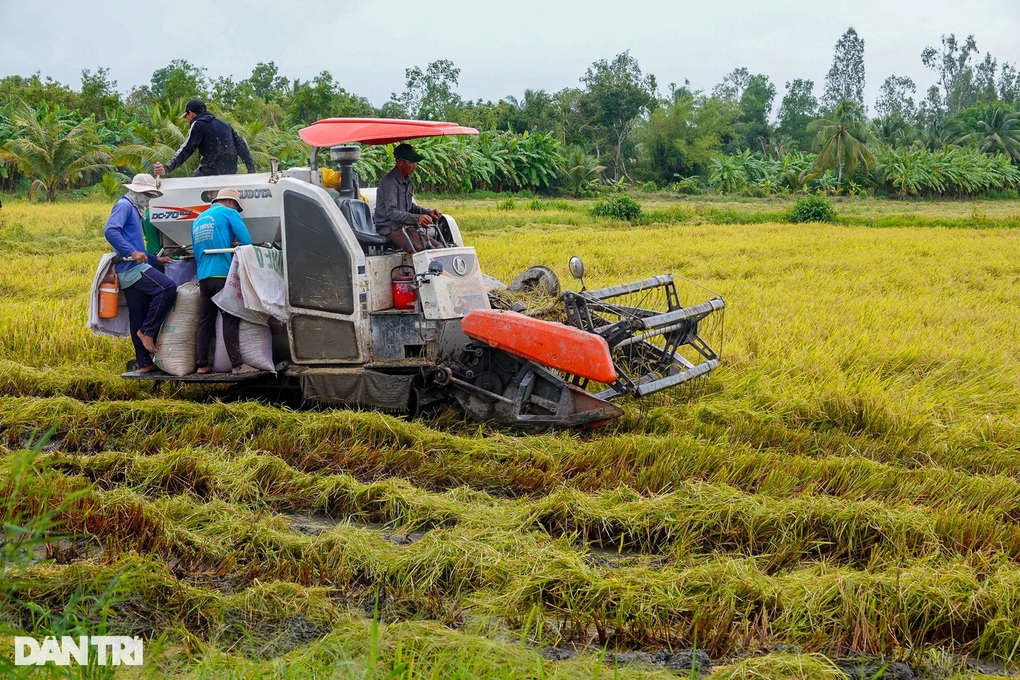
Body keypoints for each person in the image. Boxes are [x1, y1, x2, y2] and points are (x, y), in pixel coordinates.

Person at [103, 174, 177, 373]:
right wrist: (131, 252)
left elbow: (138, 247)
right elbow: (110, 231)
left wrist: (155, 259)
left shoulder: (135, 210)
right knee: (167, 288)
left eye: (150, 194)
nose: (148, 198)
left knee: (138, 313)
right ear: (135, 191)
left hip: (131, 268)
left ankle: (144, 363)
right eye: (146, 193)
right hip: (131, 268)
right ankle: (147, 331)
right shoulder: (125, 205)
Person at [191, 187, 257, 375]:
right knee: (230, 318)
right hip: (222, 275)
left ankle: (202, 364)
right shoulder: (229, 213)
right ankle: (237, 365)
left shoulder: (197, 220)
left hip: (203, 276)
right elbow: (247, 241)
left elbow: (196, 252)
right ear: (232, 202)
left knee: (206, 320)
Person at [373, 143, 446, 253]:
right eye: (412, 162)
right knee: (422, 250)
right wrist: (417, 218)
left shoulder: (407, 180)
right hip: (390, 227)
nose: (415, 166)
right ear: (400, 162)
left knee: (440, 247)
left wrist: (428, 212)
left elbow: (409, 206)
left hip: (404, 225)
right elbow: (391, 212)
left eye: (415, 163)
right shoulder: (390, 183)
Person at [153, 99, 256, 178]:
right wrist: (251, 170)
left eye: (186, 117)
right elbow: (241, 145)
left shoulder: (198, 123)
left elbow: (186, 149)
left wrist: (166, 168)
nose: (186, 120)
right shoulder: (225, 125)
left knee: (193, 183)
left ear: (191, 113)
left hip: (210, 170)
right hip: (230, 171)